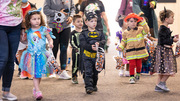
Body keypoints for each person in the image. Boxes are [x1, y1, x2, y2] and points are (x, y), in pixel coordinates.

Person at [19, 8, 55, 100]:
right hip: (32, 55)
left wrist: (51, 42)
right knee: (35, 74)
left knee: (39, 74)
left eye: (38, 19)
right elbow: (24, 41)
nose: (37, 21)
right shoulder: (28, 30)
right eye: (34, 19)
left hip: (42, 54)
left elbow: (49, 38)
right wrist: (22, 37)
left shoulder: (43, 29)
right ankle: (38, 90)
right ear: (29, 21)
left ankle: (35, 89)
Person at [43, 0, 75, 80]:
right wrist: (58, 13)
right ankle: (52, 70)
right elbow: (46, 10)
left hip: (66, 26)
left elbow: (73, 8)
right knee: (54, 48)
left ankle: (63, 71)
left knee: (64, 48)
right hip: (53, 26)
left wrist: (71, 16)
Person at [150, 8, 178, 92]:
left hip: (164, 50)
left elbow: (165, 38)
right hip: (164, 51)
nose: (173, 19)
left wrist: (172, 38)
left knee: (162, 70)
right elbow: (162, 41)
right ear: (166, 19)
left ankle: (158, 86)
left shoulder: (165, 28)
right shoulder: (163, 28)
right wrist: (172, 40)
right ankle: (161, 83)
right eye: (172, 17)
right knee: (169, 69)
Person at [117, 13, 149, 84]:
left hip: (139, 51)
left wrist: (144, 23)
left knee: (138, 64)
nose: (133, 23)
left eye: (135, 21)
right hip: (130, 51)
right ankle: (131, 77)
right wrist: (121, 47)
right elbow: (123, 41)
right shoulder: (125, 32)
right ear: (127, 23)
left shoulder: (140, 30)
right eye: (131, 21)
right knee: (132, 64)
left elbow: (146, 31)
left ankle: (138, 73)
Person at [0, 0, 22, 100]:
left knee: (10, 60)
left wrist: (23, 27)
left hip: (16, 25)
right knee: (2, 59)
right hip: (1, 25)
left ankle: (6, 91)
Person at [79, 12, 105, 94]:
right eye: (91, 21)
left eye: (95, 21)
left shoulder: (100, 32)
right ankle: (88, 86)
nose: (94, 23)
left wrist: (99, 43)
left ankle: (94, 85)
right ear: (86, 22)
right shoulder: (83, 33)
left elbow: (103, 41)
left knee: (95, 72)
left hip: (97, 57)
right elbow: (82, 44)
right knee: (88, 71)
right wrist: (90, 47)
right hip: (87, 56)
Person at [16, 0, 36, 79]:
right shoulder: (16, 6)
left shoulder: (32, 6)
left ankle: (30, 71)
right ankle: (22, 71)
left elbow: (36, 18)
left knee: (30, 51)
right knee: (21, 51)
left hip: (30, 31)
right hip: (19, 31)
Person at [70, 14, 83, 84]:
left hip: (84, 51)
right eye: (78, 21)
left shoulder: (84, 32)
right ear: (73, 23)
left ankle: (85, 77)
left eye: (81, 21)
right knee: (75, 64)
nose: (80, 23)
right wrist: (75, 48)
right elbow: (71, 42)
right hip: (76, 52)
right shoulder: (73, 33)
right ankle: (74, 76)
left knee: (84, 64)